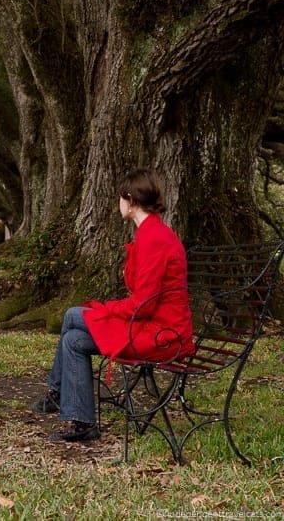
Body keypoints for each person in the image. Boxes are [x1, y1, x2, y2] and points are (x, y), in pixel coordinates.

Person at [31, 168, 194, 442]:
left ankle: (57, 395)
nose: (118, 202)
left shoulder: (154, 238)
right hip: (153, 325)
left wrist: (106, 311)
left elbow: (143, 306)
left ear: (130, 200)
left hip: (163, 333)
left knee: (73, 314)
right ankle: (81, 422)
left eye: (120, 197)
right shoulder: (150, 233)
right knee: (73, 339)